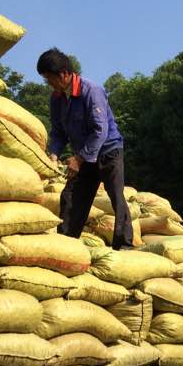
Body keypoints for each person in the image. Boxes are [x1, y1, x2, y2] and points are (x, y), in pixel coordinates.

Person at [36, 48, 133, 250]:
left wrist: (78, 159)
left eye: (49, 79)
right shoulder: (56, 99)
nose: (48, 84)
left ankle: (123, 244)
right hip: (84, 155)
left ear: (63, 74)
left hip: (108, 150)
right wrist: (53, 153)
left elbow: (100, 130)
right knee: (71, 195)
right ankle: (67, 242)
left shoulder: (92, 91)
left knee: (116, 194)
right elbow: (58, 131)